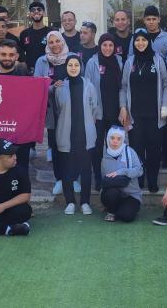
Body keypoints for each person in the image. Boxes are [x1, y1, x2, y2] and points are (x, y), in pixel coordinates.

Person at [119, 28, 167, 192]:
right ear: (133, 43)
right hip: (135, 115)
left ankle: (153, 180)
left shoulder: (158, 60)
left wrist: (165, 105)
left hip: (155, 115)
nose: (140, 43)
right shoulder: (130, 61)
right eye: (137, 40)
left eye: (144, 40)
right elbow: (123, 87)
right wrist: (123, 107)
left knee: (154, 149)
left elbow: (166, 84)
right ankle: (139, 179)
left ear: (149, 42)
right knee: (137, 149)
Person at [53, 54, 100, 215]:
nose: (73, 68)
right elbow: (58, 108)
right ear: (65, 67)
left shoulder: (89, 86)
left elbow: (94, 108)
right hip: (66, 134)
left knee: (86, 170)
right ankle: (70, 202)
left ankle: (85, 202)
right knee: (66, 170)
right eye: (70, 65)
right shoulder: (60, 87)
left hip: (85, 135)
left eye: (76, 65)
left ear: (81, 67)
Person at [34, 31, 74, 196]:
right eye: (51, 42)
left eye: (58, 41)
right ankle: (59, 179)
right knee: (56, 144)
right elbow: (36, 86)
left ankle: (73, 178)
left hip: (71, 110)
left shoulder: (72, 58)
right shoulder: (42, 61)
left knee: (73, 144)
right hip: (52, 110)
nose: (55, 45)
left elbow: (81, 81)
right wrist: (52, 87)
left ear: (62, 41)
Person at [0, 40, 33, 171]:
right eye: (3, 54)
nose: (7, 58)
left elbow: (34, 103)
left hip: (20, 135)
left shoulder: (25, 77)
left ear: (17, 56)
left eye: (11, 55)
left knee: (20, 172)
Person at [85, 33, 123, 190]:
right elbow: (87, 89)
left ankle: (114, 176)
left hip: (115, 112)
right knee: (97, 147)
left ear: (114, 47)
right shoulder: (92, 62)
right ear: (99, 46)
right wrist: (90, 113)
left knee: (115, 145)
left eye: (111, 45)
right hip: (98, 114)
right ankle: (98, 177)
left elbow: (123, 86)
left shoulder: (119, 61)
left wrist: (123, 108)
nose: (107, 48)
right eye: (104, 45)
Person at [99, 127, 143, 223]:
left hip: (131, 194)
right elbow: (105, 180)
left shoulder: (130, 152)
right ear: (108, 139)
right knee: (111, 193)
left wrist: (122, 172)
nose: (115, 141)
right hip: (114, 193)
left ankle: (122, 210)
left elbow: (139, 171)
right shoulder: (105, 157)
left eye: (119, 139)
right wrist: (104, 199)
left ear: (123, 140)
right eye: (112, 138)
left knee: (127, 216)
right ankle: (111, 211)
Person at [20, 1, 51, 71]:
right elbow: (21, 53)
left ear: (44, 13)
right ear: (30, 14)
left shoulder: (51, 32)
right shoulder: (24, 33)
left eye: (39, 9)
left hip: (47, 71)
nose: (36, 11)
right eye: (33, 10)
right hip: (29, 71)